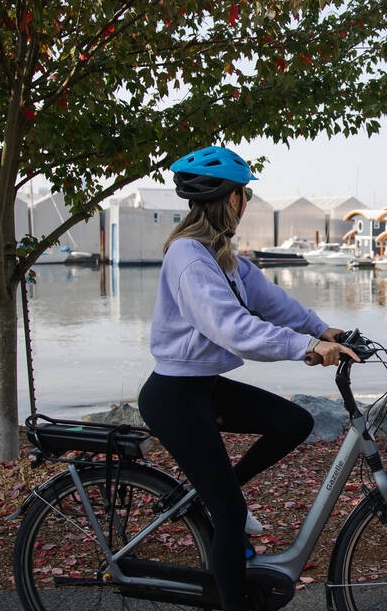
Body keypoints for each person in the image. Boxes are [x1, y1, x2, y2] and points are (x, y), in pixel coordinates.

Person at [137, 145, 358, 611]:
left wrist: (323, 330)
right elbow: (233, 329)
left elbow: (269, 300)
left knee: (293, 423)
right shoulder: (189, 258)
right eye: (246, 195)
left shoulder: (222, 256)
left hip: (203, 388)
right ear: (228, 198)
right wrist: (306, 348)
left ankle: (214, 491)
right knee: (231, 515)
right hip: (175, 398)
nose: (248, 203)